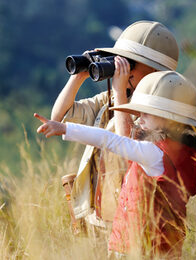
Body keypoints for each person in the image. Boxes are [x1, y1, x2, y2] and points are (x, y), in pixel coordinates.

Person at [35, 71, 196, 258]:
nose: (139, 118)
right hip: (163, 248)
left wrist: (65, 128)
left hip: (135, 247)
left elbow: (110, 140)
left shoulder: (155, 153)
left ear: (169, 119)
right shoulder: (182, 154)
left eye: (147, 113)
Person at [51, 20, 179, 229]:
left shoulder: (159, 115)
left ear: (155, 72)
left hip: (129, 219)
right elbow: (59, 116)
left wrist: (120, 91)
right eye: (121, 60)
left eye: (131, 62)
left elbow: (127, 147)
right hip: (97, 214)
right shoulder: (110, 99)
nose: (124, 67)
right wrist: (80, 75)